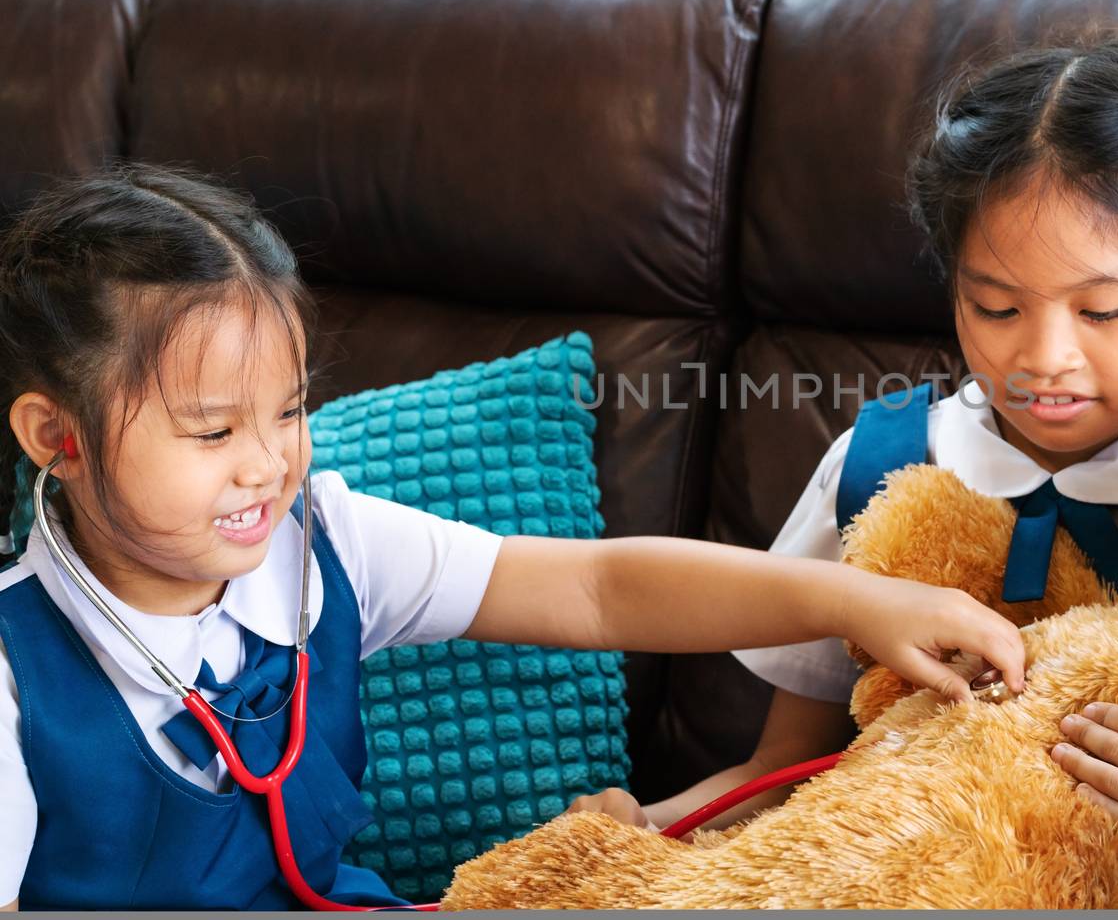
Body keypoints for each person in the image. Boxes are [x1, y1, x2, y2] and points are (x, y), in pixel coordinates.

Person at [0, 166, 1025, 910]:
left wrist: (856, 600)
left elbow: (597, 589)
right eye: (213, 428)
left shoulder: (323, 548)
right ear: (60, 438)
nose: (267, 462)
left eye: (288, 410)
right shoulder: (15, 673)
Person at [591, 38, 1118, 864]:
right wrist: (641, 831)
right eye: (996, 307)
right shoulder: (880, 470)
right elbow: (783, 775)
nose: (1045, 357)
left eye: (1101, 312)